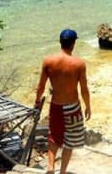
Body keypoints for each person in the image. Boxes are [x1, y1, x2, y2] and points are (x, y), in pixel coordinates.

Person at [35, 29, 91, 174]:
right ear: (73, 44)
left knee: (53, 136)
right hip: (72, 107)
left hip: (56, 106)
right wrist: (88, 106)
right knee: (70, 141)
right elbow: (84, 89)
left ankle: (50, 166)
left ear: (60, 42)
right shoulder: (79, 64)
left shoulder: (48, 61)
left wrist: (37, 101)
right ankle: (63, 171)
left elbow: (40, 86)